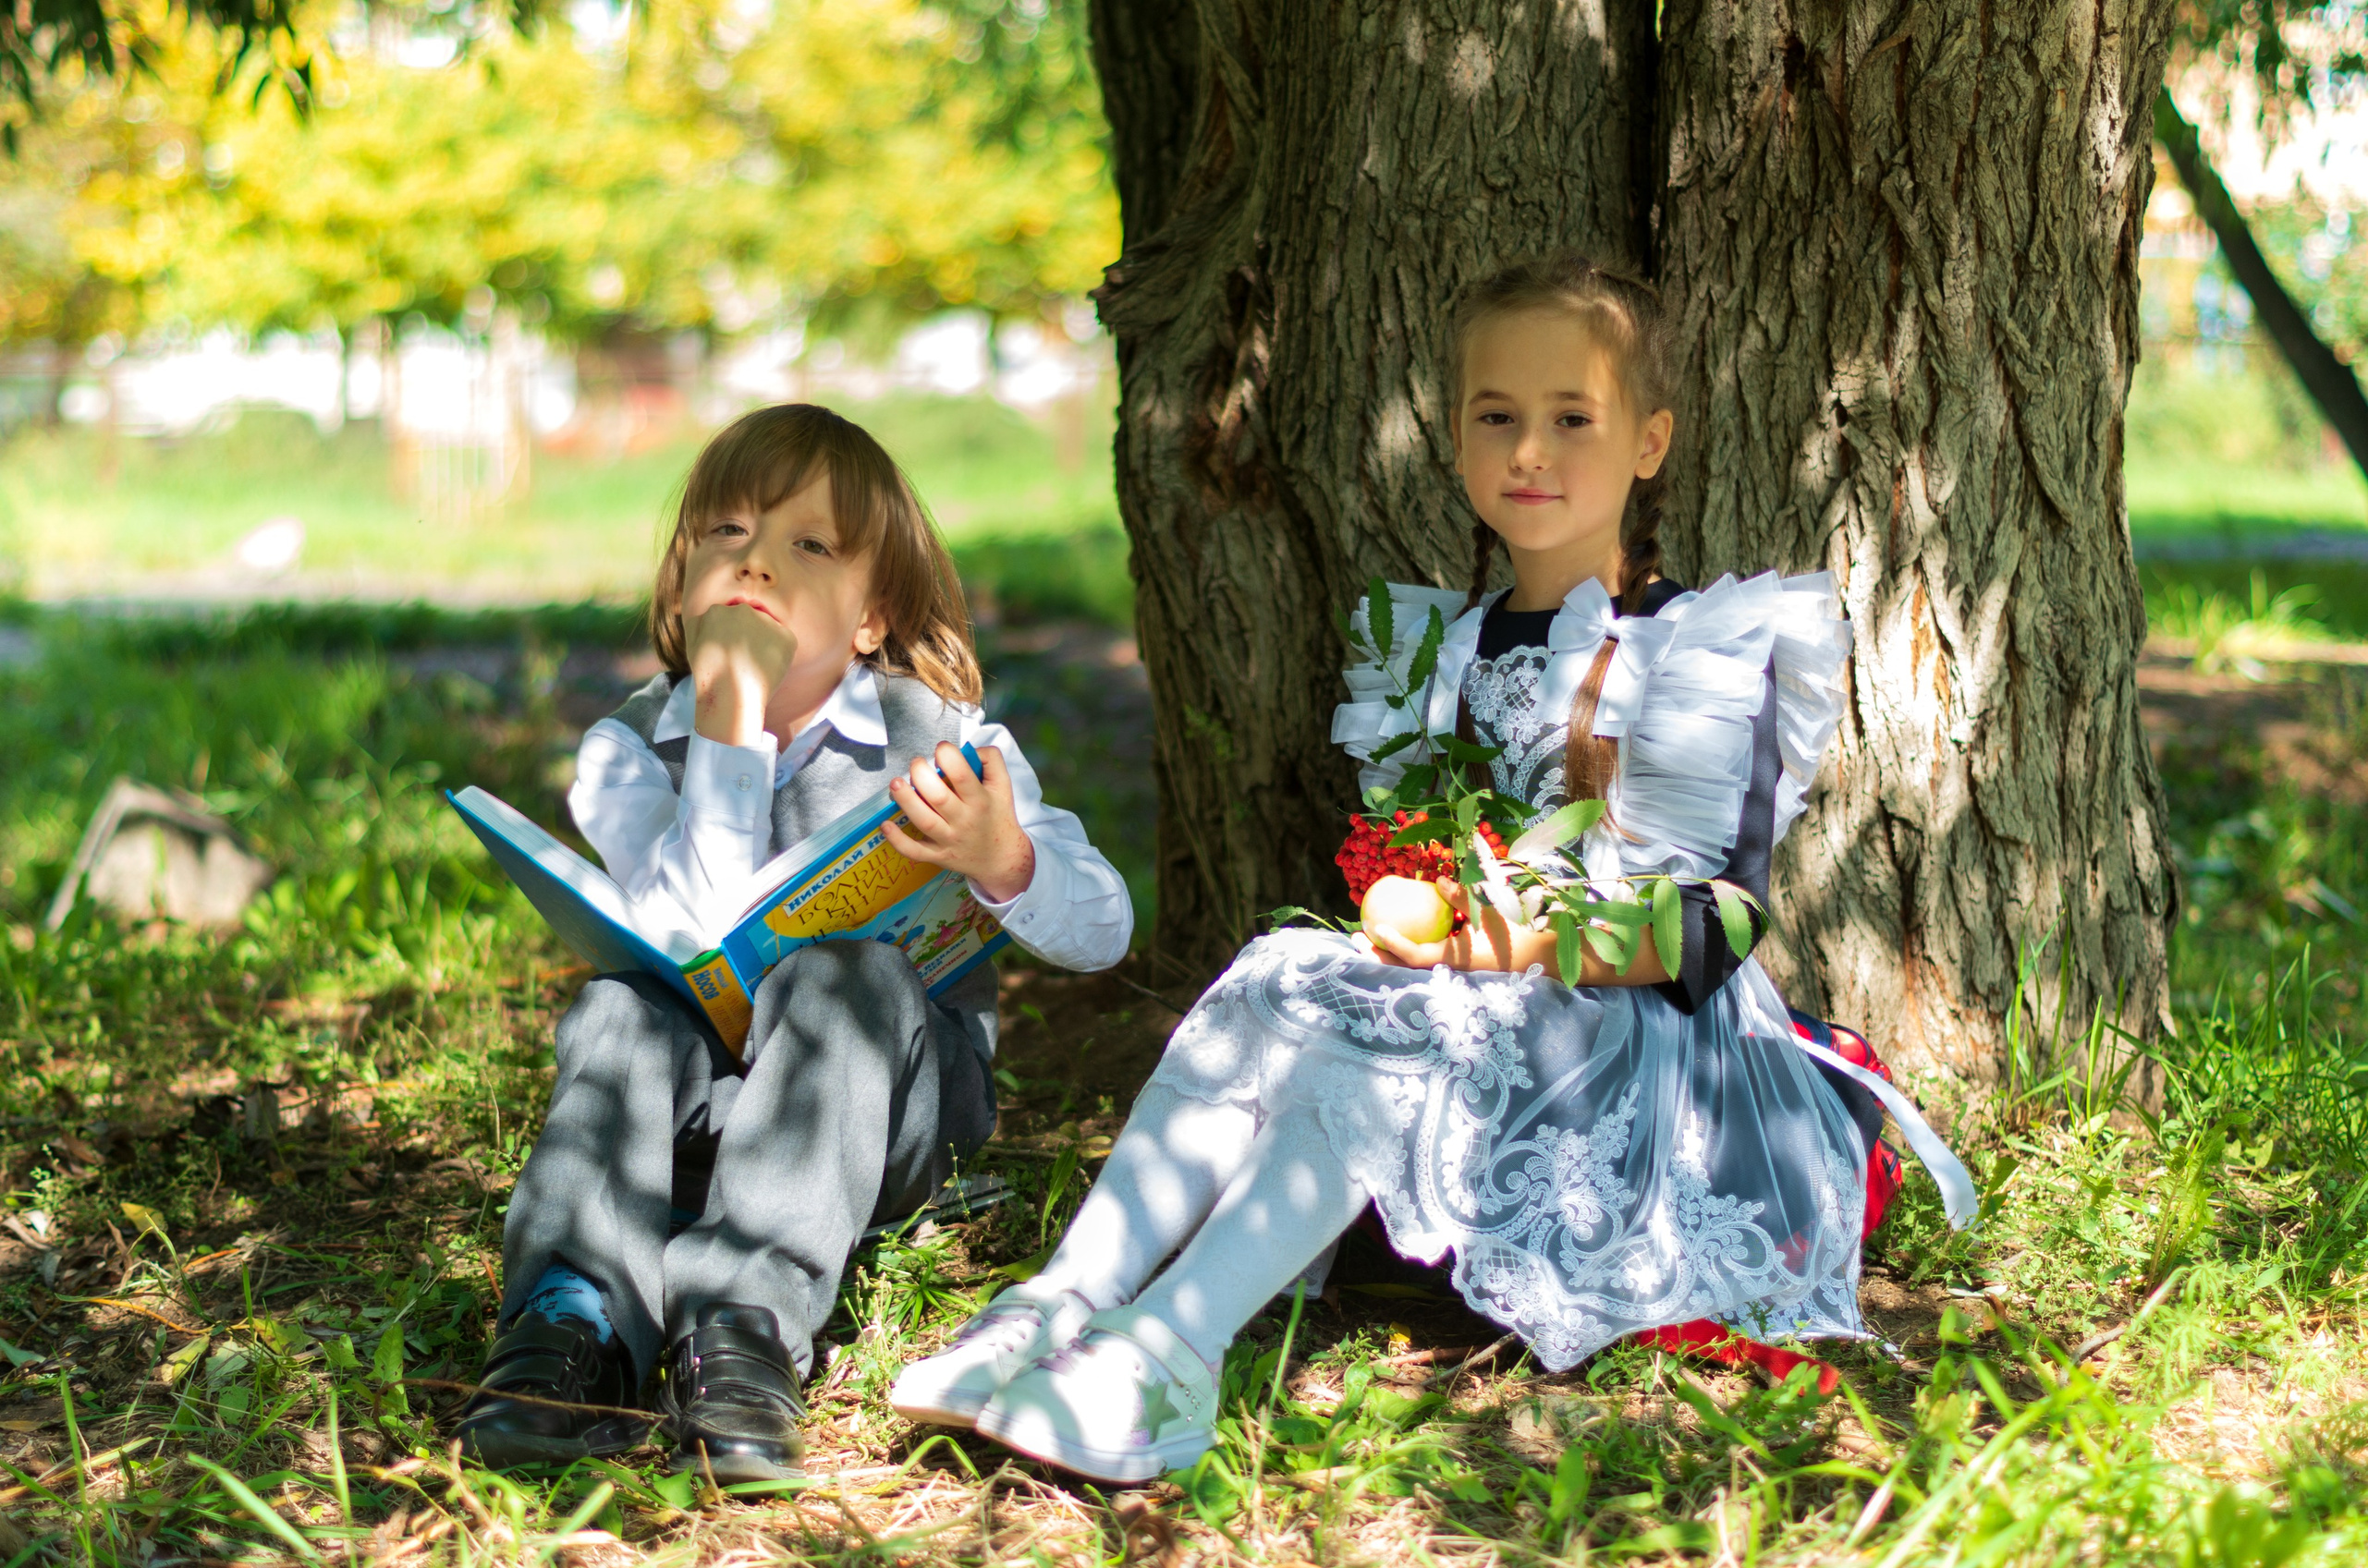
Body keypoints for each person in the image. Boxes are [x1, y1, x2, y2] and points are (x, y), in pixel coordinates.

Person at [889, 252, 1972, 1483]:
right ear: (1455, 437)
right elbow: (1422, 868)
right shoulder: (1434, 653)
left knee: (1413, 1025)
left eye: (1573, 419)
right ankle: (1061, 1301)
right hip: (1481, 996)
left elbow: (1710, 930)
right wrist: (1427, 918)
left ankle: (1170, 1350)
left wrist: (1489, 942)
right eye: (1495, 416)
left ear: (1650, 441)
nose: (1530, 450)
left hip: (1638, 1046)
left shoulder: (1697, 650)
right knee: (1278, 969)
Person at [456, 404, 1133, 1480]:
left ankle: (741, 1327)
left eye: (809, 543)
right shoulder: (629, 749)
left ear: (872, 617)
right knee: (619, 1005)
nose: (757, 561)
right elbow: (691, 925)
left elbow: (1105, 929)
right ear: (684, 577)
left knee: (845, 976)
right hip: (694, 1113)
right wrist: (728, 726)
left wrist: (1003, 856)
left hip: (889, 1111)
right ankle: (572, 1316)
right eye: (727, 532)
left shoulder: (942, 739)